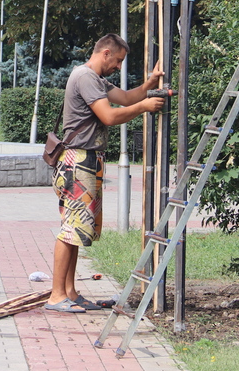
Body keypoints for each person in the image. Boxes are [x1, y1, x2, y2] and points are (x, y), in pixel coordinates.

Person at [45, 34, 164, 313]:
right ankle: (56, 296)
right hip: (78, 161)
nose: (119, 67)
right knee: (71, 229)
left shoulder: (96, 79)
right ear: (106, 53)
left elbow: (125, 97)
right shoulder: (85, 77)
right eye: (118, 61)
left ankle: (70, 292)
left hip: (87, 160)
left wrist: (149, 84)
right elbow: (109, 116)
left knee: (77, 230)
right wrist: (144, 108)